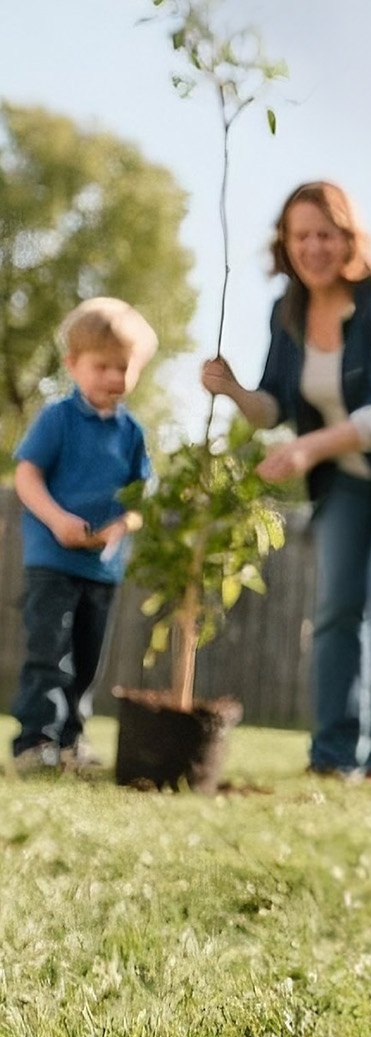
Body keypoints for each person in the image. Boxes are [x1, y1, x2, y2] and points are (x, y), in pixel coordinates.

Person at [202, 180, 371, 795]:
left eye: (325, 234)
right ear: (286, 244)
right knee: (334, 609)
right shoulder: (287, 310)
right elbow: (274, 407)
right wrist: (234, 389)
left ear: (349, 239)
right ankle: (331, 757)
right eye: (301, 235)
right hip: (346, 478)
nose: (313, 247)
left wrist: (305, 448)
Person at [10, 297, 154, 775]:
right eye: (102, 366)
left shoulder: (132, 433)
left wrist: (120, 526)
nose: (115, 377)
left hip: (103, 566)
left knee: (89, 659)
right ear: (73, 364)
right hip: (53, 558)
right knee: (51, 652)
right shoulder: (58, 419)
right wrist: (57, 520)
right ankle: (35, 743)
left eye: (124, 366)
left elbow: (138, 502)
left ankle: (71, 742)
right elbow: (27, 476)